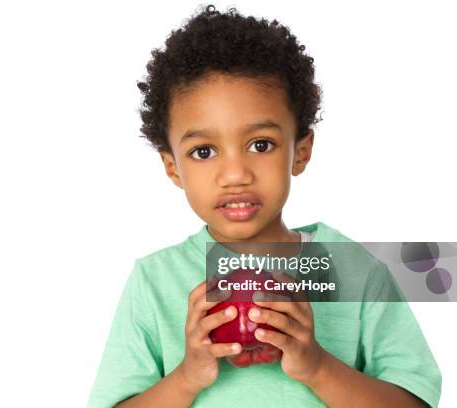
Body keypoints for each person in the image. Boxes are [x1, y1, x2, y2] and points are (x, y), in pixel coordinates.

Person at [88, 5, 441, 407]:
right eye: (204, 151)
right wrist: (187, 378)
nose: (235, 174)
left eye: (261, 145)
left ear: (300, 151)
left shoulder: (355, 270)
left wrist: (316, 366)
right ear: (173, 167)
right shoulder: (153, 282)